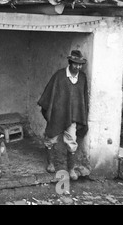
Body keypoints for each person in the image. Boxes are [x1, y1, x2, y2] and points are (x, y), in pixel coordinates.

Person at [37, 50, 89, 181]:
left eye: (80, 65)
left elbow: (82, 98)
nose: (78, 67)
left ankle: (70, 169)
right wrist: (51, 110)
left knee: (71, 141)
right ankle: (50, 163)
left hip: (73, 116)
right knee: (51, 139)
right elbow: (50, 94)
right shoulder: (59, 76)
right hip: (57, 115)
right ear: (70, 63)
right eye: (76, 64)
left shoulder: (82, 78)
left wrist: (80, 113)